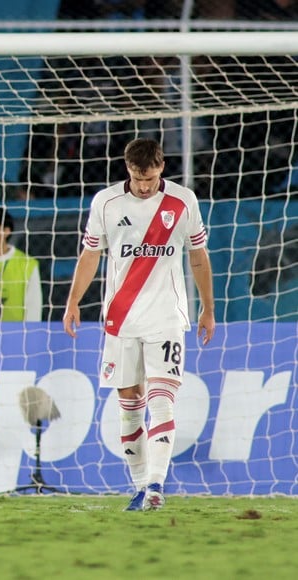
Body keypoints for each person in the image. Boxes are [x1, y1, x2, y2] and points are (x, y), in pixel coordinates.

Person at [62, 138, 215, 512]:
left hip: (166, 319)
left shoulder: (183, 201)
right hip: (120, 319)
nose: (143, 185)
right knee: (129, 405)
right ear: (127, 169)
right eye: (136, 177)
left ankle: (157, 486)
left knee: (162, 402)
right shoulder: (107, 202)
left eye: (149, 178)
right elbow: (90, 254)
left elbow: (197, 256)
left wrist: (208, 308)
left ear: (161, 168)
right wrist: (73, 301)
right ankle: (140, 485)